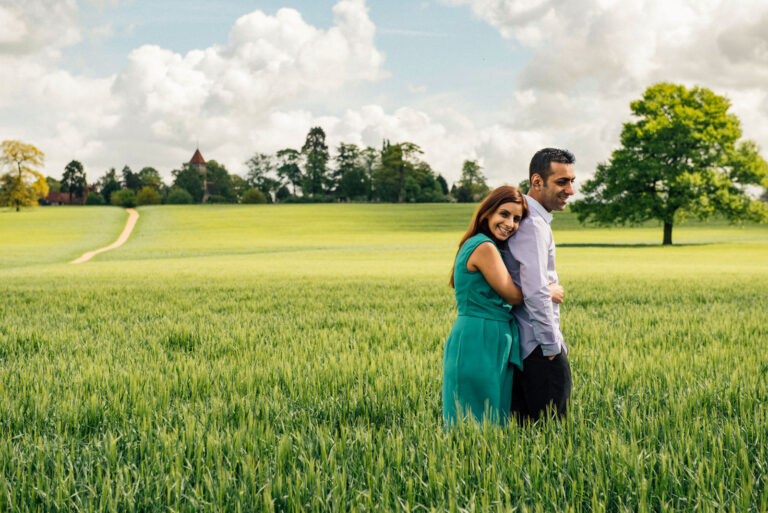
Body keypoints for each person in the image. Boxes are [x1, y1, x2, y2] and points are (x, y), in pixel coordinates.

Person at [442, 186, 563, 426]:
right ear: (487, 212)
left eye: (517, 219)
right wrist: (547, 291)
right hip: (480, 338)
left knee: (485, 419)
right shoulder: (485, 247)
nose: (510, 224)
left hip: (488, 337)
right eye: (504, 214)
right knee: (476, 418)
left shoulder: (482, 244)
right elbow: (513, 296)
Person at [503, 148, 576, 422]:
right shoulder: (532, 224)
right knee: (552, 434)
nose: (570, 190)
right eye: (562, 182)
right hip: (537, 346)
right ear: (537, 182)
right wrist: (551, 347)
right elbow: (535, 291)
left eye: (572, 181)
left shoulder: (532, 218)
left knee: (531, 434)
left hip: (529, 345)